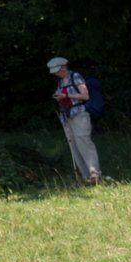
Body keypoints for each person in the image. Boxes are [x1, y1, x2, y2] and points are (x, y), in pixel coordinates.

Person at [48, 55, 101, 185]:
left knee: (84, 142)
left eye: (57, 70)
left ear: (63, 67)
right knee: (74, 146)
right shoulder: (61, 82)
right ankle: (85, 177)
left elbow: (85, 95)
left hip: (79, 115)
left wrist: (66, 95)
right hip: (66, 117)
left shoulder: (75, 76)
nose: (56, 73)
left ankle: (95, 175)